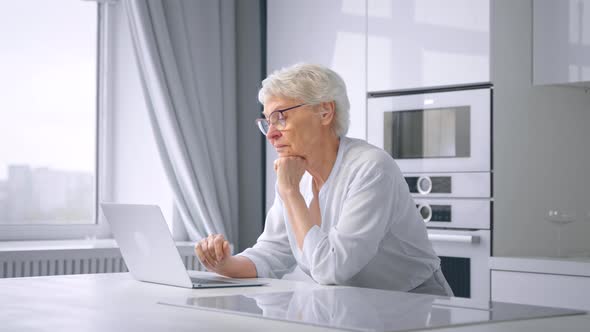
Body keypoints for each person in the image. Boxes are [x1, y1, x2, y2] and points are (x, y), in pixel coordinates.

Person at [194, 63, 453, 296]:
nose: (270, 134)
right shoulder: (295, 176)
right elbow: (272, 252)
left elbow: (332, 268)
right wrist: (225, 264)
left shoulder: (371, 168)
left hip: (416, 304)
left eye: (280, 117)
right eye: (267, 121)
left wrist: (289, 192)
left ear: (325, 112)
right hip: (355, 304)